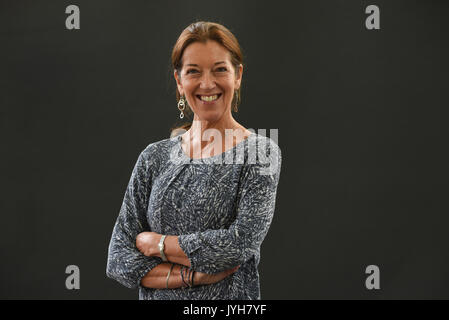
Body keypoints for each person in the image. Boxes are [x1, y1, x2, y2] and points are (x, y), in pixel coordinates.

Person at [106, 21, 282, 300]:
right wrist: (193, 276)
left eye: (220, 69)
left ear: (238, 76)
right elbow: (118, 260)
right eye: (193, 72)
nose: (207, 83)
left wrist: (160, 245)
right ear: (179, 81)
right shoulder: (154, 157)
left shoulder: (260, 153)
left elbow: (238, 246)